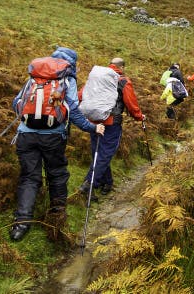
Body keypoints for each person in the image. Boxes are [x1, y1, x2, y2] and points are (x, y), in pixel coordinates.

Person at [9, 47, 105, 242]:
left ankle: (22, 223)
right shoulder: (66, 79)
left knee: (29, 176)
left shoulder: (35, 76)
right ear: (72, 64)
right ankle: (57, 215)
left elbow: (16, 102)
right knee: (57, 173)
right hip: (53, 136)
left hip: (26, 135)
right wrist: (92, 128)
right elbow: (74, 111)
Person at [79, 57, 145, 198]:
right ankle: (89, 184)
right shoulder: (122, 80)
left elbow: (80, 95)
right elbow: (131, 104)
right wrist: (140, 117)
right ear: (121, 67)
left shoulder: (97, 78)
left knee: (98, 152)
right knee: (105, 153)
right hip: (111, 122)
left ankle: (107, 183)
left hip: (93, 120)